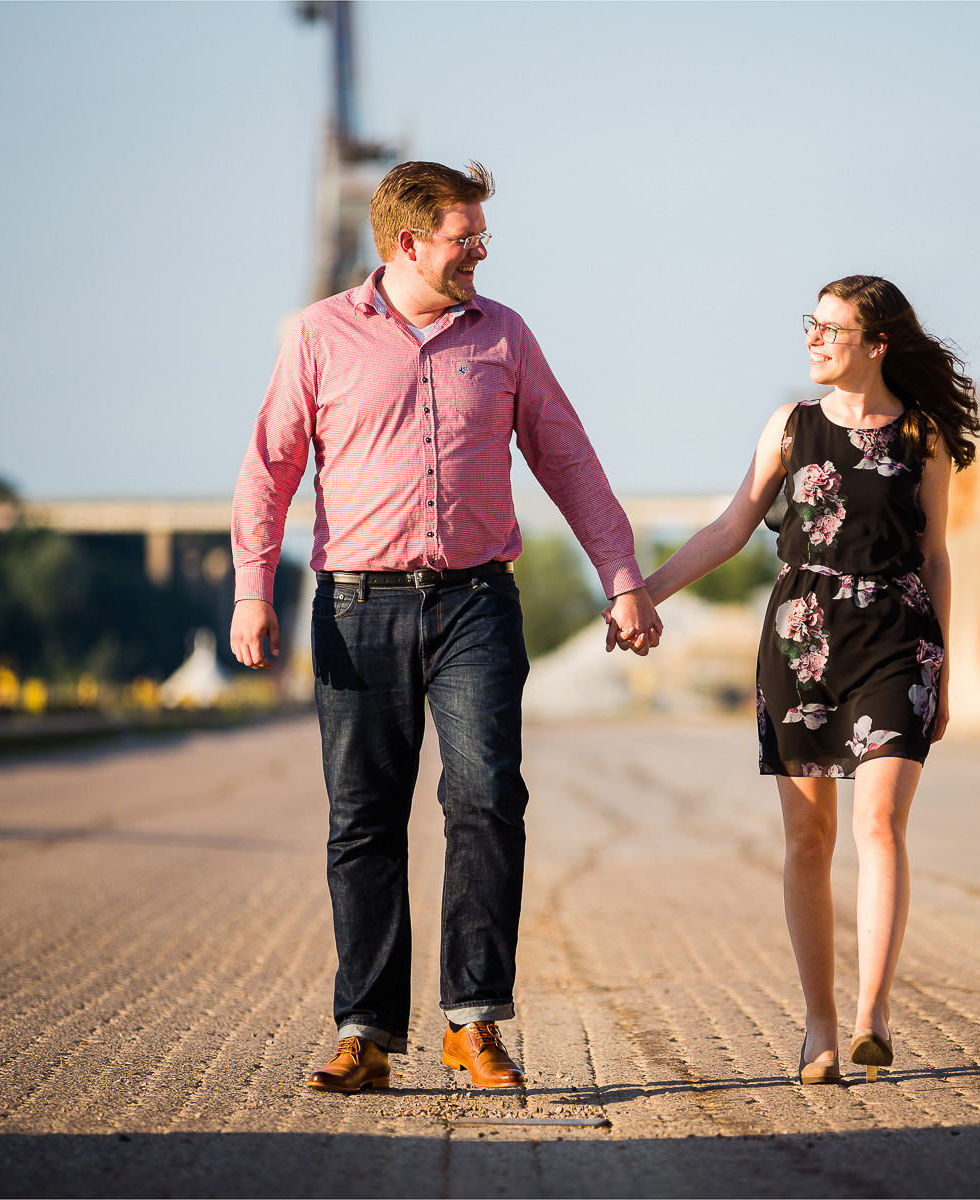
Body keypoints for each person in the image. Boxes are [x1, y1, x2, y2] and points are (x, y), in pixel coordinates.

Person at [230, 160, 662, 1093]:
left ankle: (474, 1022)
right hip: (355, 607)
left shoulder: (503, 335)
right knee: (364, 820)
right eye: (465, 238)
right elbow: (270, 466)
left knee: (487, 797)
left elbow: (568, 457)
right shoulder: (320, 336)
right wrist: (251, 589)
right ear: (406, 244)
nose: (479, 253)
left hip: (474, 602)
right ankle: (367, 1032)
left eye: (481, 238)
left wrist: (621, 575)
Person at [609, 275, 978, 1083]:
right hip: (802, 643)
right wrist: (642, 590)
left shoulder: (923, 436)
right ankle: (818, 1026)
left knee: (879, 825)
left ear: (874, 346)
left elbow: (935, 557)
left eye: (830, 328)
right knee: (808, 840)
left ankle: (871, 1014)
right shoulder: (790, 426)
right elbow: (732, 527)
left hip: (895, 639)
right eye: (810, 325)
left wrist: (942, 671)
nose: (812, 339)